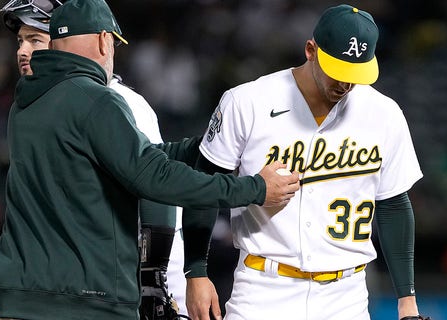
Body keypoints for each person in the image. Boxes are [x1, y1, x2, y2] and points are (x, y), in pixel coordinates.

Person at [0, 0, 300, 319]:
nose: (23, 51)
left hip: (23, 298)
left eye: (34, 39)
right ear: (104, 40)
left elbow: (125, 164)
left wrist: (211, 146)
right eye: (22, 41)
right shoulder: (102, 100)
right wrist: (253, 189)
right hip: (85, 301)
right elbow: (154, 179)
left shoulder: (25, 105)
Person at [183, 4, 430, 320]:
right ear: (311, 50)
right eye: (337, 71)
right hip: (264, 289)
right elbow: (204, 186)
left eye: (355, 74)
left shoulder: (384, 114)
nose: (345, 84)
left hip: (347, 295)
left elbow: (394, 203)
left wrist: (406, 299)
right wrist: (196, 272)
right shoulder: (248, 101)